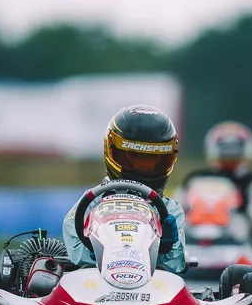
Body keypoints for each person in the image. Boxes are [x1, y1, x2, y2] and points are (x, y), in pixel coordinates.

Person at [61, 104, 188, 274]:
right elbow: (74, 249)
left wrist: (164, 248)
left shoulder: (170, 210)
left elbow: (175, 265)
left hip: (153, 288)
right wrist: (95, 251)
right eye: (135, 157)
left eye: (153, 159)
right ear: (111, 150)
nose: (143, 166)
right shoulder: (92, 202)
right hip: (95, 283)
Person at [175, 120, 252, 250]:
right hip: (194, 236)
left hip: (238, 237)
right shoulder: (196, 180)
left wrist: (245, 211)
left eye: (234, 147)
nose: (230, 153)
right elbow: (177, 210)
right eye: (225, 147)